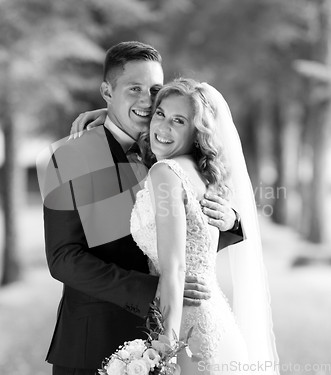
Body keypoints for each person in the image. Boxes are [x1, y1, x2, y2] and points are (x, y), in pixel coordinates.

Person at [43, 41, 246, 375]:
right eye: (133, 88)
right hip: (94, 341)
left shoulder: (166, 150)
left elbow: (189, 237)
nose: (147, 101)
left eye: (154, 89)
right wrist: (155, 289)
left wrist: (231, 220)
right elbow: (64, 258)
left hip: (176, 339)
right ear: (107, 91)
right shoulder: (68, 158)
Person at [130, 78, 279, 374]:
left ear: (197, 133)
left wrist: (165, 349)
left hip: (188, 336)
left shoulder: (165, 172)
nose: (162, 127)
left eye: (179, 121)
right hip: (215, 324)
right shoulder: (202, 174)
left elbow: (175, 269)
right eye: (160, 114)